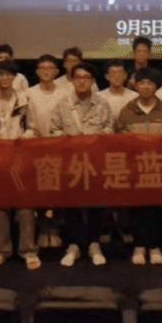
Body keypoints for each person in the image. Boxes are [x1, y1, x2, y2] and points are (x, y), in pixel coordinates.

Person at [0, 61, 41, 270]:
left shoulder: (25, 101)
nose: (4, 79)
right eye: (0, 75)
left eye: (8, 75)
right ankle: (2, 250)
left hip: (21, 159)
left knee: (25, 206)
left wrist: (25, 137)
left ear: (15, 77)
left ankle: (28, 250)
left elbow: (33, 128)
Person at [50, 61, 114, 267]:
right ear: (72, 80)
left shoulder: (102, 103)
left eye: (86, 78)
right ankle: (74, 245)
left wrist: (100, 137)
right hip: (71, 162)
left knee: (97, 204)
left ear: (93, 81)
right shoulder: (63, 104)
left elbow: (110, 129)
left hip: (96, 162)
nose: (82, 81)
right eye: (78, 77)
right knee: (72, 206)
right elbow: (54, 129)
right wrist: (67, 139)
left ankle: (94, 243)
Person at [115, 67, 162, 265]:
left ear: (156, 86)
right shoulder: (126, 111)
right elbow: (119, 141)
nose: (145, 86)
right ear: (136, 85)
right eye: (141, 82)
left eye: (150, 83)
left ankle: (155, 246)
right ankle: (139, 246)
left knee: (156, 208)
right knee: (137, 209)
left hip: (159, 167)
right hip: (135, 168)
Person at [25, 53, 71, 249]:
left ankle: (55, 229)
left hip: (60, 148)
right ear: (36, 72)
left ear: (56, 72)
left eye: (50, 68)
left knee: (58, 192)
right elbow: (27, 122)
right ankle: (43, 229)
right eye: (42, 68)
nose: (46, 72)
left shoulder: (65, 93)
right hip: (36, 149)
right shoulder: (29, 93)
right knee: (40, 192)